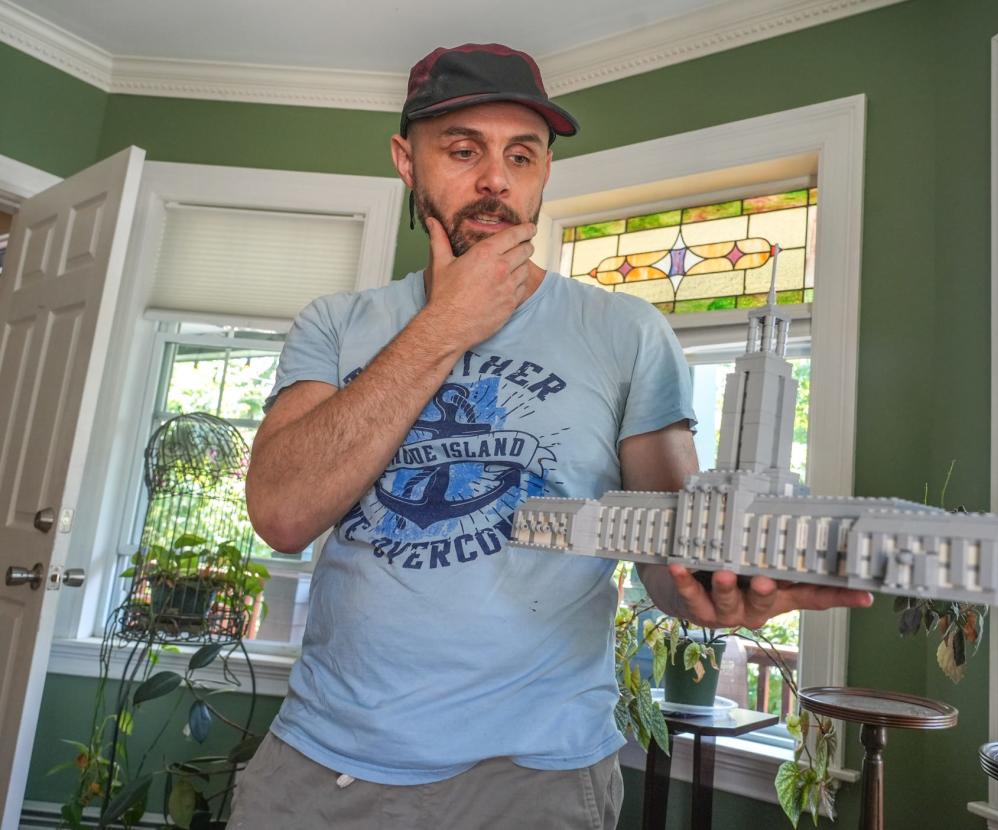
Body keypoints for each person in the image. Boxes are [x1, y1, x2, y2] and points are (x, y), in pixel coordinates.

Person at [232, 43, 872, 830]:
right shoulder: (335, 324)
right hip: (324, 763)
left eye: (521, 155)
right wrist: (445, 326)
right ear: (407, 161)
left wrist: (719, 590)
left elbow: (669, 558)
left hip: (537, 776)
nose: (495, 179)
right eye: (462, 150)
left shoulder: (624, 331)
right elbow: (283, 513)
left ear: (542, 172)